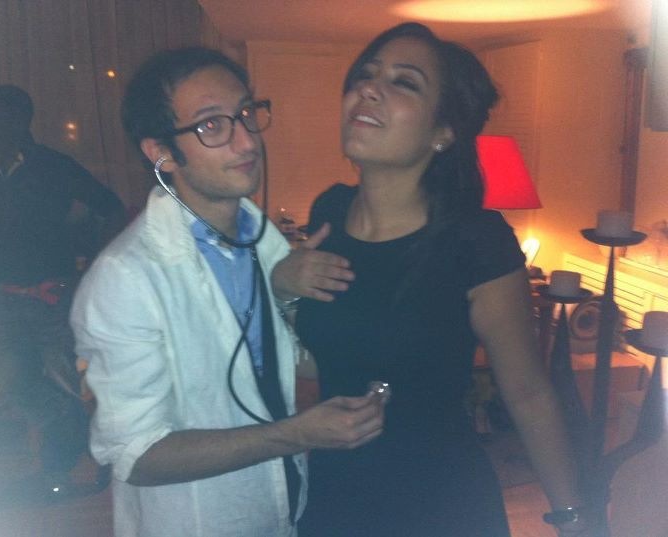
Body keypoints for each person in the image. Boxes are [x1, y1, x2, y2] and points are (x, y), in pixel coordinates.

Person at [272, 22, 592, 537]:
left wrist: (574, 519)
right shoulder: (329, 210)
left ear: (442, 132)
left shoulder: (474, 239)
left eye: (404, 82)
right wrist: (282, 288)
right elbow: (326, 354)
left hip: (440, 504)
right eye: (366, 74)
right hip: (335, 495)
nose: (368, 89)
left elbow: (528, 391)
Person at [69, 47, 386, 537]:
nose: (246, 140)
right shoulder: (125, 279)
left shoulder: (263, 240)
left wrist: (293, 301)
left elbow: (272, 362)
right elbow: (136, 455)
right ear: (161, 153)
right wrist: (295, 435)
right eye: (212, 125)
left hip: (284, 511)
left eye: (245, 114)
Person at [0, 84, 126, 493]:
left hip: (54, 294)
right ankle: (74, 440)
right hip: (8, 293)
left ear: (18, 121)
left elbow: (111, 206)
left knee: (69, 382)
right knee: (12, 382)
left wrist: (95, 268)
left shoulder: (53, 165)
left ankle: (87, 464)